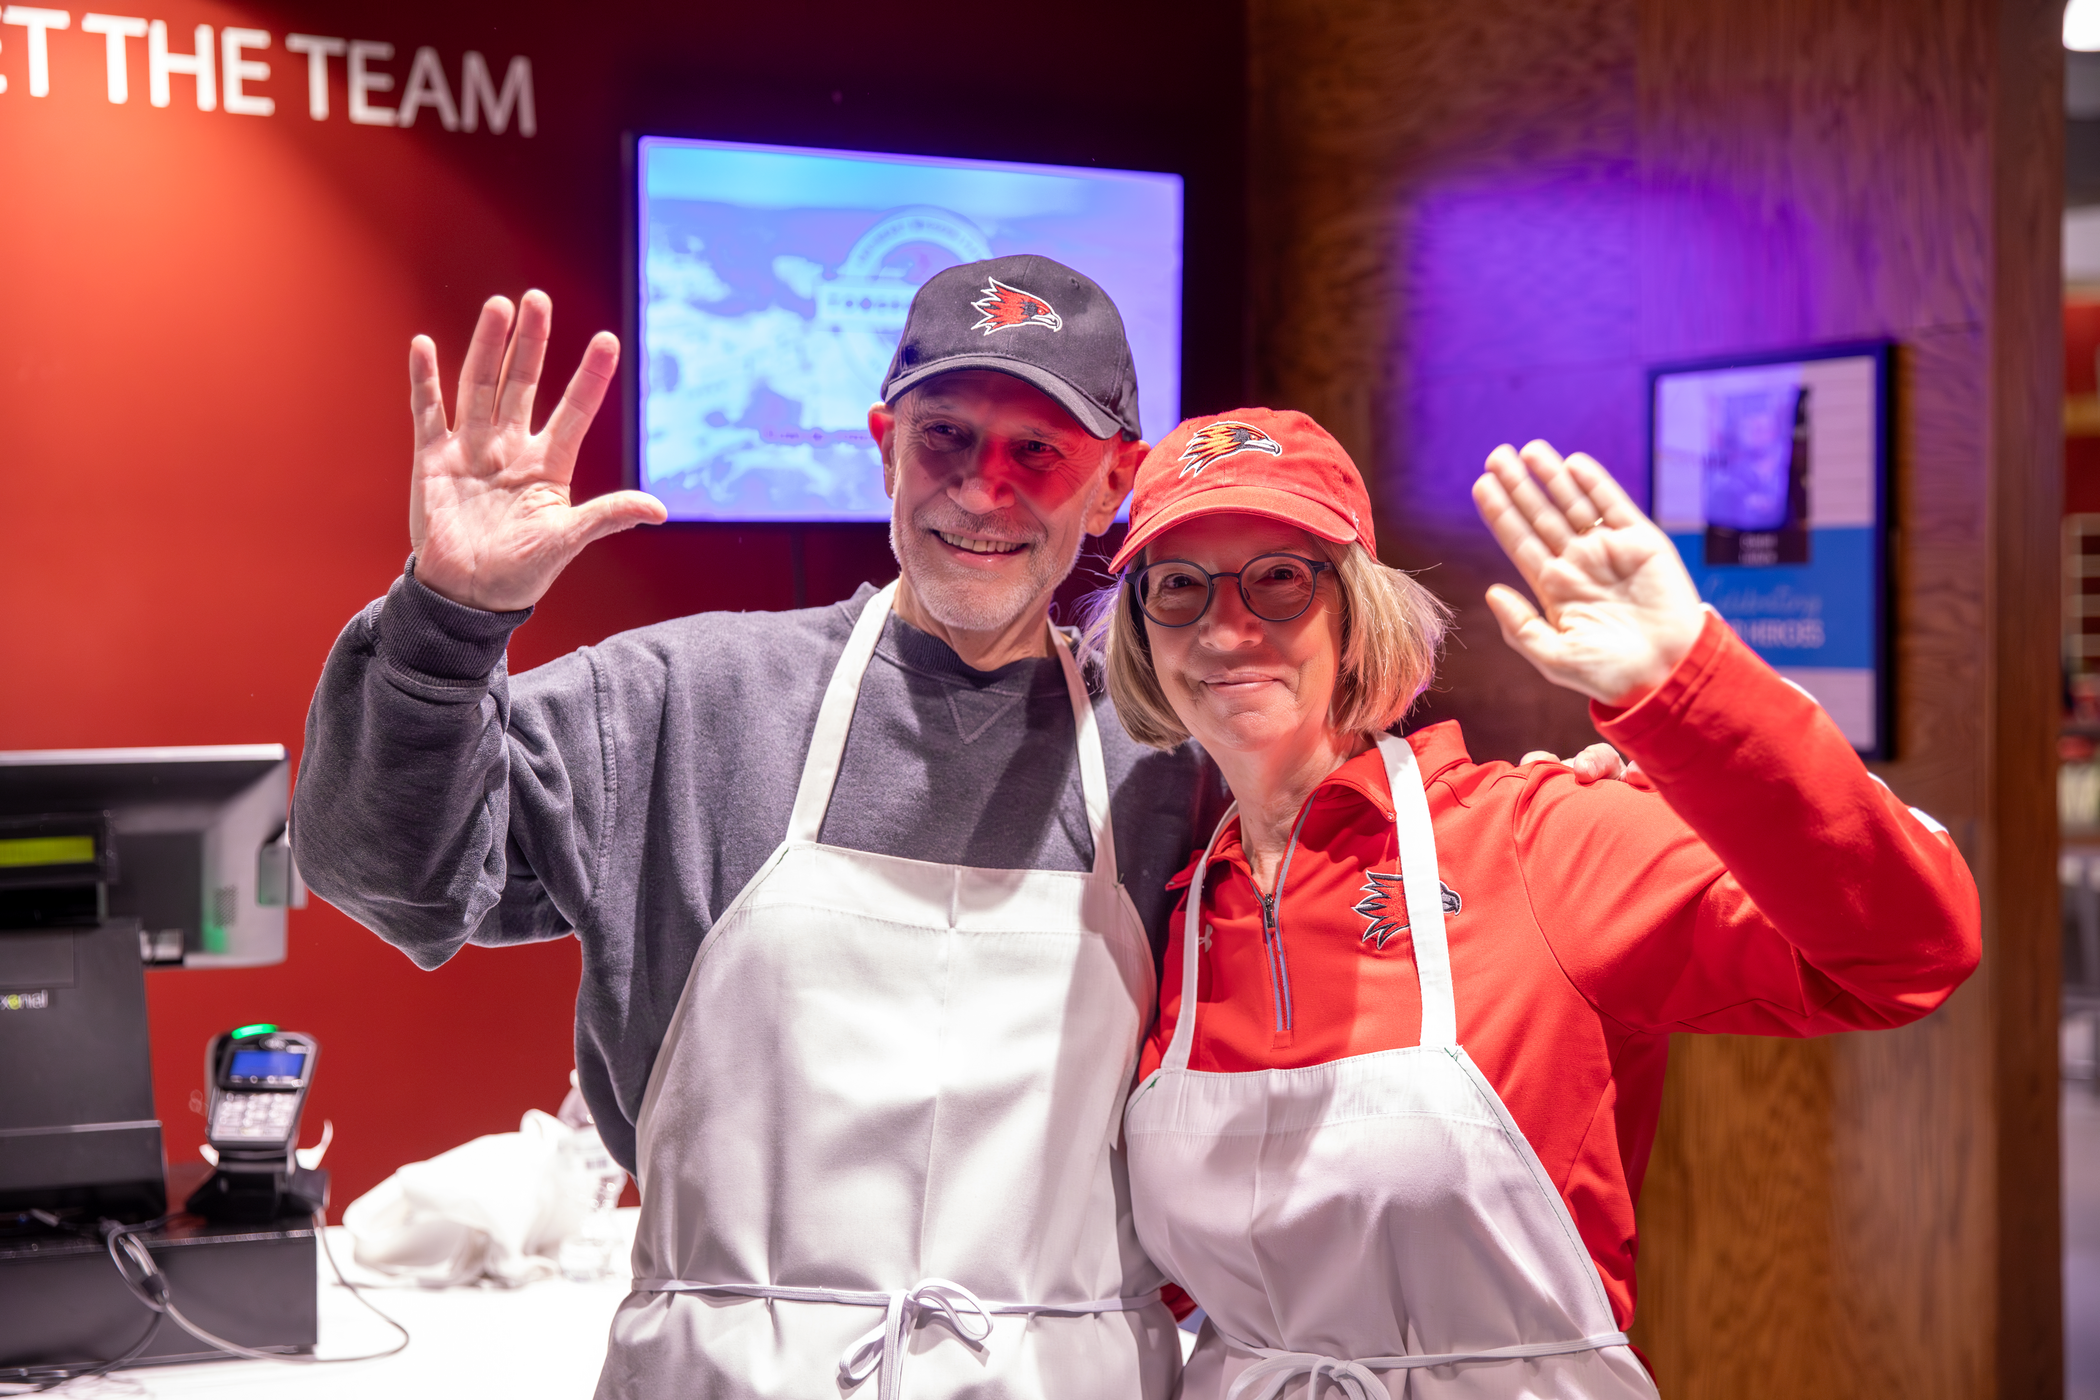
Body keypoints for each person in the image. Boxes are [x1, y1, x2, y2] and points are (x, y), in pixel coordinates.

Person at [291, 255, 1624, 1398]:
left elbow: (1339, 953)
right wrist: (446, 621)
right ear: (882, 445)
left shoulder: (1176, 747)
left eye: (1038, 452)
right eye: (947, 440)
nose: (985, 491)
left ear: (1113, 486)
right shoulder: (686, 698)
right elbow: (394, 881)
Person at [1092, 409, 1981, 1399]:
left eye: (1280, 577)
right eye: (1178, 585)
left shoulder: (1538, 836)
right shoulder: (1172, 907)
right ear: (1139, 626)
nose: (1226, 626)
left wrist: (1685, 685)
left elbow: (1913, 949)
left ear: (1355, 609)